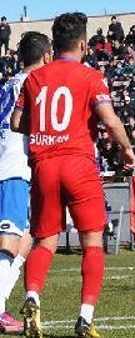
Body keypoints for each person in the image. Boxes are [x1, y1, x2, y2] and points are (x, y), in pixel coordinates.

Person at [10, 13, 135, 337]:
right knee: (92, 240)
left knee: (44, 241)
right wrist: (125, 149)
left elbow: (15, 122)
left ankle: (32, 296)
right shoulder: (91, 77)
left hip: (43, 165)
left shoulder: (34, 78)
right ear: (82, 43)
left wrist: (42, 127)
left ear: (54, 45)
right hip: (78, 162)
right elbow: (109, 120)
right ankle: (84, 317)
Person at [0, 32, 52, 333]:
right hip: (13, 167)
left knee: (26, 238)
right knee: (9, 237)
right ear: (46, 57)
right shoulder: (35, 84)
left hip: (12, 165)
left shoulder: (8, 83)